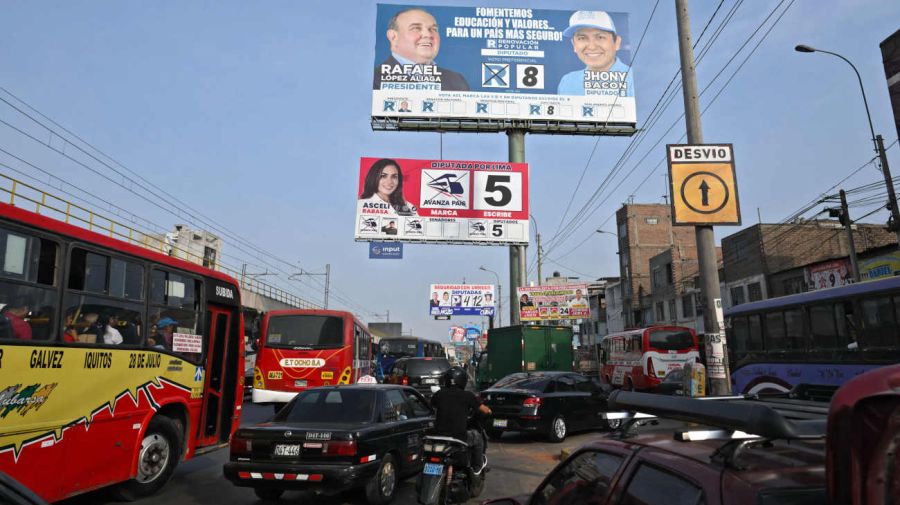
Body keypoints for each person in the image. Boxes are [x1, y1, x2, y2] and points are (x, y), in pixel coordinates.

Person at [373, 7, 470, 91]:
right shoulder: (374, 80)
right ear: (393, 37)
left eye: (433, 29)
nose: (428, 35)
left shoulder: (456, 80)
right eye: (416, 28)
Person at [557, 10, 634, 97]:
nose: (592, 47)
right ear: (574, 45)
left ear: (617, 43)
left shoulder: (633, 79)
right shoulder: (568, 82)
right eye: (582, 38)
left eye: (600, 37)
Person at [430, 366, 491, 473]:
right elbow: (485, 411)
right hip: (458, 437)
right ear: (463, 380)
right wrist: (489, 410)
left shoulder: (439, 394)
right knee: (477, 437)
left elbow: (432, 406)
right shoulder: (467, 395)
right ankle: (477, 467)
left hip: (439, 436)